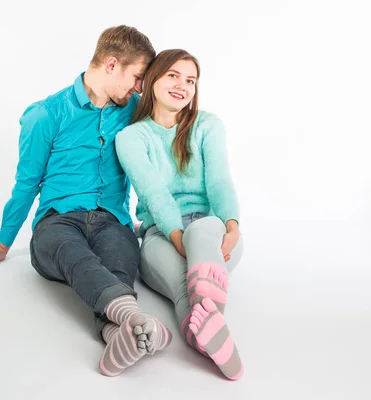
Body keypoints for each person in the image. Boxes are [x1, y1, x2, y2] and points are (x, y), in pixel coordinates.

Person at [0, 26, 172, 377]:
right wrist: (2, 243)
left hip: (112, 219)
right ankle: (134, 317)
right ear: (112, 64)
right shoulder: (46, 114)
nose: (138, 88)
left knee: (120, 258)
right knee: (73, 253)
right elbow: (26, 184)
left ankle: (115, 332)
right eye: (137, 78)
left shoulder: (134, 111)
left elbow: (166, 146)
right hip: (57, 223)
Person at [115, 49, 245, 380]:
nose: (182, 85)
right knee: (181, 288)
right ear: (153, 79)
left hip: (213, 230)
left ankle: (204, 326)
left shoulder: (208, 125)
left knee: (201, 233)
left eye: (190, 80)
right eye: (173, 75)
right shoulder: (131, 137)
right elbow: (153, 192)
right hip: (161, 233)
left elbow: (218, 179)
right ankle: (211, 338)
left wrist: (232, 227)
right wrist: (176, 236)